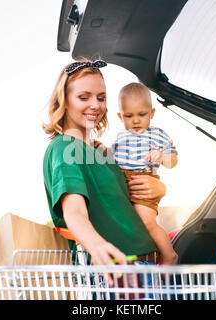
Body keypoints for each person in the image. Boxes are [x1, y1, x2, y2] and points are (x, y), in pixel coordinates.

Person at [42, 60, 167, 268]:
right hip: (118, 269)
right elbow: (74, 212)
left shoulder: (97, 151)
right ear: (64, 100)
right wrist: (98, 246)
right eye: (84, 97)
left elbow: (121, 202)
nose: (96, 105)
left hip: (146, 262)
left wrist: (157, 188)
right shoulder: (65, 147)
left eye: (101, 98)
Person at [99, 82, 179, 265]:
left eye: (142, 114)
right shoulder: (120, 137)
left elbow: (173, 160)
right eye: (129, 115)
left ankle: (169, 255)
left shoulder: (157, 134)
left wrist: (161, 157)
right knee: (127, 222)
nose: (136, 120)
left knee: (147, 222)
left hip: (144, 182)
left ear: (152, 113)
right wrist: (103, 150)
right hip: (123, 183)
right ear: (120, 116)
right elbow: (112, 158)